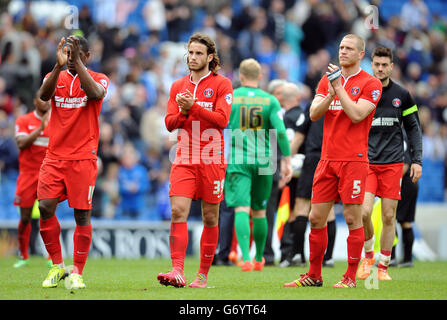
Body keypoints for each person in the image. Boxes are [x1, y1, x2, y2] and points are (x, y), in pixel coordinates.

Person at [284, 34, 382, 288]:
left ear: (361, 54)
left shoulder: (371, 84)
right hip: (326, 159)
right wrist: (330, 92)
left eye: (349, 48)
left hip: (354, 160)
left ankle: (350, 277)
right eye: (341, 47)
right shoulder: (327, 81)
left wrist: (338, 88)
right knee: (316, 218)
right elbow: (314, 114)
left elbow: (357, 114)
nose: (343, 52)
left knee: (352, 218)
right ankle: (314, 275)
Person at [157, 33, 233, 288]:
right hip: (185, 157)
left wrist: (195, 108)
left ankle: (202, 276)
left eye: (198, 53)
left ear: (210, 57)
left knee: (210, 217)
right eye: (190, 53)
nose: (193, 57)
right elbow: (169, 124)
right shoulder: (178, 86)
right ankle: (177, 270)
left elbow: (222, 120)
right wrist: (184, 111)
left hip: (213, 159)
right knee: (178, 211)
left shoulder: (223, 84)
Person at [37, 35, 109, 289]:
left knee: (82, 215)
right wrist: (58, 66)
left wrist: (77, 63)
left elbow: (96, 93)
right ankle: (57, 266)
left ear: (87, 56)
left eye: (76, 53)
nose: (70, 58)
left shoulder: (99, 78)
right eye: (67, 53)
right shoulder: (53, 76)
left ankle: (77, 271)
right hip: (55, 156)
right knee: (45, 207)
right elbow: (44, 96)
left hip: (83, 157)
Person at [357, 46, 422, 280]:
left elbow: (414, 128)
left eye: (385, 65)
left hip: (393, 163)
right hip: (367, 163)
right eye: (377, 64)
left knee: (388, 216)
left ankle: (383, 266)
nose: (381, 68)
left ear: (391, 67)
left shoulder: (402, 94)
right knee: (363, 213)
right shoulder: (362, 92)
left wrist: (417, 160)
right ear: (371, 65)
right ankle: (368, 257)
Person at [225, 58, 292, 272]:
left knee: (241, 209)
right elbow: (280, 132)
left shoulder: (232, 98)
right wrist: (287, 159)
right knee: (260, 211)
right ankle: (260, 257)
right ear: (260, 76)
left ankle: (245, 257)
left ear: (240, 76)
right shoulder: (270, 100)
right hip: (264, 160)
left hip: (239, 161)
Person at [279, 87, 337, 268]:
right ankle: (328, 258)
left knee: (302, 206)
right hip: (336, 158)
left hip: (314, 159)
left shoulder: (315, 105)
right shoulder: (344, 105)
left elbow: (298, 139)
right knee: (329, 209)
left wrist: (287, 161)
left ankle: (297, 254)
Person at [13, 92, 50, 268]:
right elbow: (21, 143)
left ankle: (52, 257)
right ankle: (23, 255)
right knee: (25, 217)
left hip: (48, 175)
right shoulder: (24, 120)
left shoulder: (57, 121)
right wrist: (40, 129)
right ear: (35, 101)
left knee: (48, 214)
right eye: (43, 98)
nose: (47, 101)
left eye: (49, 98)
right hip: (27, 175)